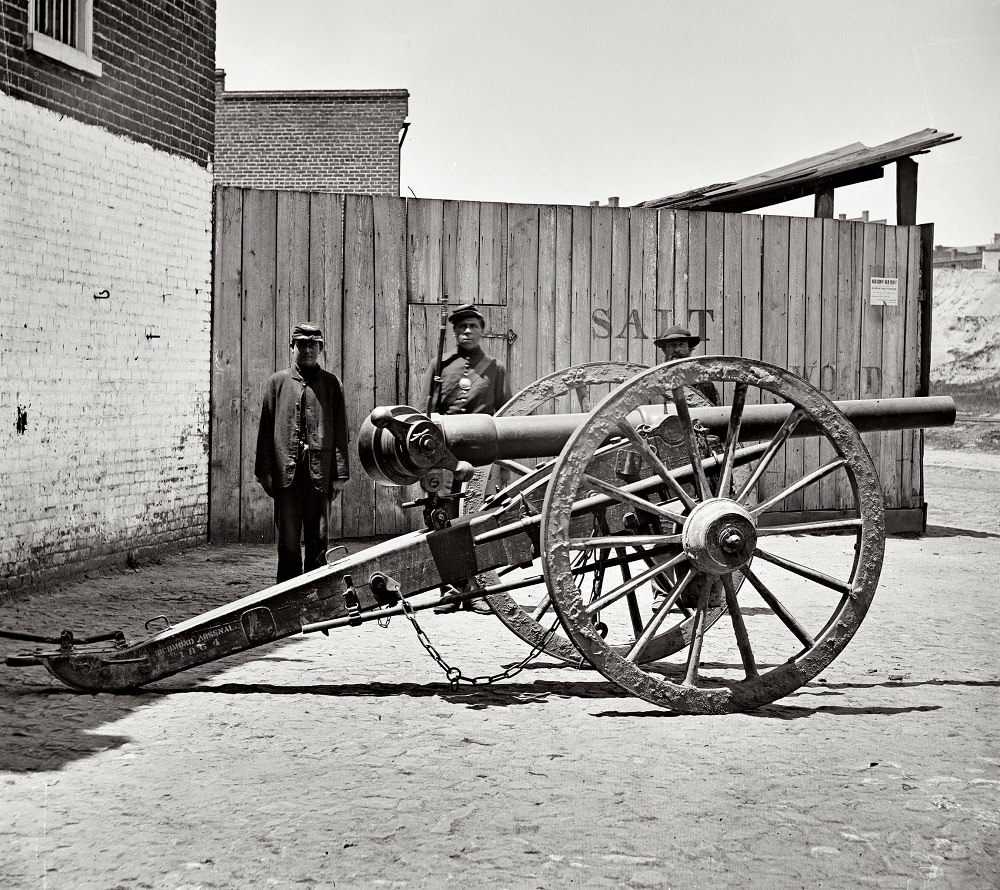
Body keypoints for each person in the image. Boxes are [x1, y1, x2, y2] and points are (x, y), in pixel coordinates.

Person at [421, 303, 512, 613]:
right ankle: (451, 589)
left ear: (482, 330)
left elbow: (506, 418)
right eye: (461, 327)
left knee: (479, 522)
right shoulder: (440, 368)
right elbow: (427, 420)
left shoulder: (495, 368)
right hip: (446, 461)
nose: (467, 331)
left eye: (473, 326)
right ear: (455, 332)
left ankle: (478, 589)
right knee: (443, 521)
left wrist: (501, 469)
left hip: (482, 461)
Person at [255, 322, 350, 584]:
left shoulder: (331, 384)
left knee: (318, 539)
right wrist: (264, 472)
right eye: (302, 344)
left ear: (320, 348)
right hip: (286, 476)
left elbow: (340, 432)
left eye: (313, 345)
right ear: (292, 347)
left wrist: (339, 474)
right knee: (287, 542)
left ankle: (316, 597)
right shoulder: (277, 383)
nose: (307, 350)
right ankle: (287, 598)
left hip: (318, 477)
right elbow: (265, 430)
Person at [652, 325, 720, 407]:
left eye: (681, 345)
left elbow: (716, 415)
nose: (677, 350)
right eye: (672, 345)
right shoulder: (651, 384)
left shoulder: (705, 385)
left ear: (690, 349)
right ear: (664, 350)